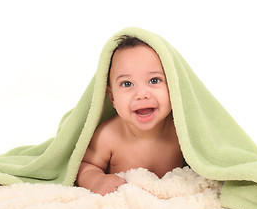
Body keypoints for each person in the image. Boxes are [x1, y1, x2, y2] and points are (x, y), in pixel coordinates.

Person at [77, 36, 185, 195]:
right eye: (127, 84)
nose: (141, 94)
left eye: (154, 80)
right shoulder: (107, 136)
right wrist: (96, 180)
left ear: (173, 86)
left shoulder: (181, 131)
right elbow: (85, 165)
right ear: (112, 97)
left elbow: (209, 153)